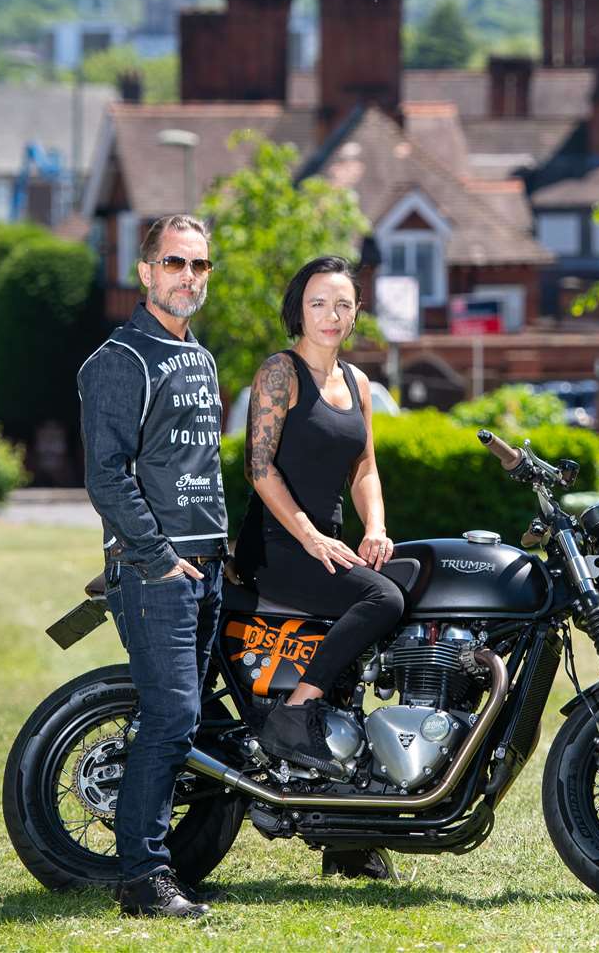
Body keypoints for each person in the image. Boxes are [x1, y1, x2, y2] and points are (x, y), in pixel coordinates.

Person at [78, 214, 225, 919]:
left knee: (185, 724)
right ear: (144, 272)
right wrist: (159, 558)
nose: (187, 278)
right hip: (156, 572)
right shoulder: (119, 359)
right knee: (171, 717)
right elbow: (106, 476)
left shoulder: (199, 358)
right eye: (175, 263)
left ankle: (167, 863)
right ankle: (142, 879)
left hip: (209, 568)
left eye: (199, 266)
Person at [233, 255, 405, 775]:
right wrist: (310, 537)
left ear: (355, 315)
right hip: (278, 547)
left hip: (327, 544)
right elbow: (258, 469)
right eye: (318, 304)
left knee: (412, 585)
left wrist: (375, 526)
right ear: (299, 312)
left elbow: (365, 468)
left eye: (342, 305)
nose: (331, 315)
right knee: (384, 597)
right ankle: (295, 712)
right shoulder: (280, 373)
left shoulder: (357, 384)